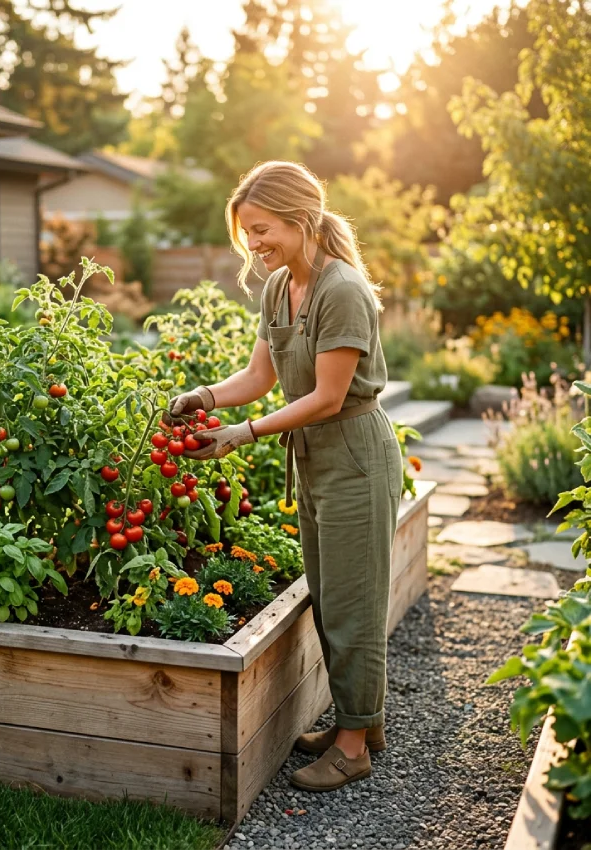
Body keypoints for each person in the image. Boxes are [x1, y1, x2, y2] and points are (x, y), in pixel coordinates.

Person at [166, 160, 403, 792]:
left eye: (263, 229)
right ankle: (361, 722)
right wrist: (205, 398)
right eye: (247, 233)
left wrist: (240, 434)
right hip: (316, 458)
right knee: (329, 598)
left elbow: (328, 397)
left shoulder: (341, 288)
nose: (255, 244)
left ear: (301, 219)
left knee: (354, 604)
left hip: (354, 455)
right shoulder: (279, 287)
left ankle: (352, 748)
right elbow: (259, 378)